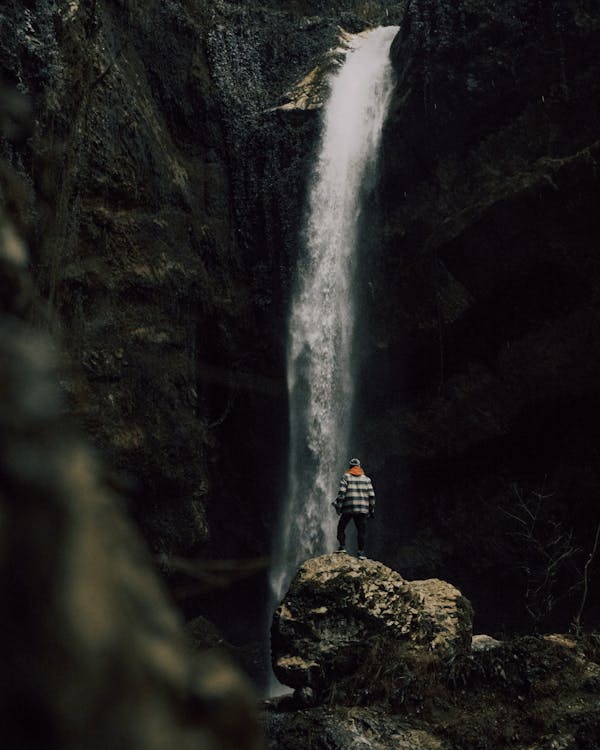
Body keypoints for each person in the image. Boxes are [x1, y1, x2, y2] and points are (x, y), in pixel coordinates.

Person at [333, 458, 375, 560]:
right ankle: (361, 553)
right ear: (359, 467)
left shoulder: (346, 477)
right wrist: (371, 510)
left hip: (349, 508)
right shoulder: (366, 479)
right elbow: (372, 495)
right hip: (362, 510)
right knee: (361, 531)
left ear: (350, 467)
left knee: (341, 527)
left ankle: (342, 547)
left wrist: (338, 506)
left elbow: (342, 493)